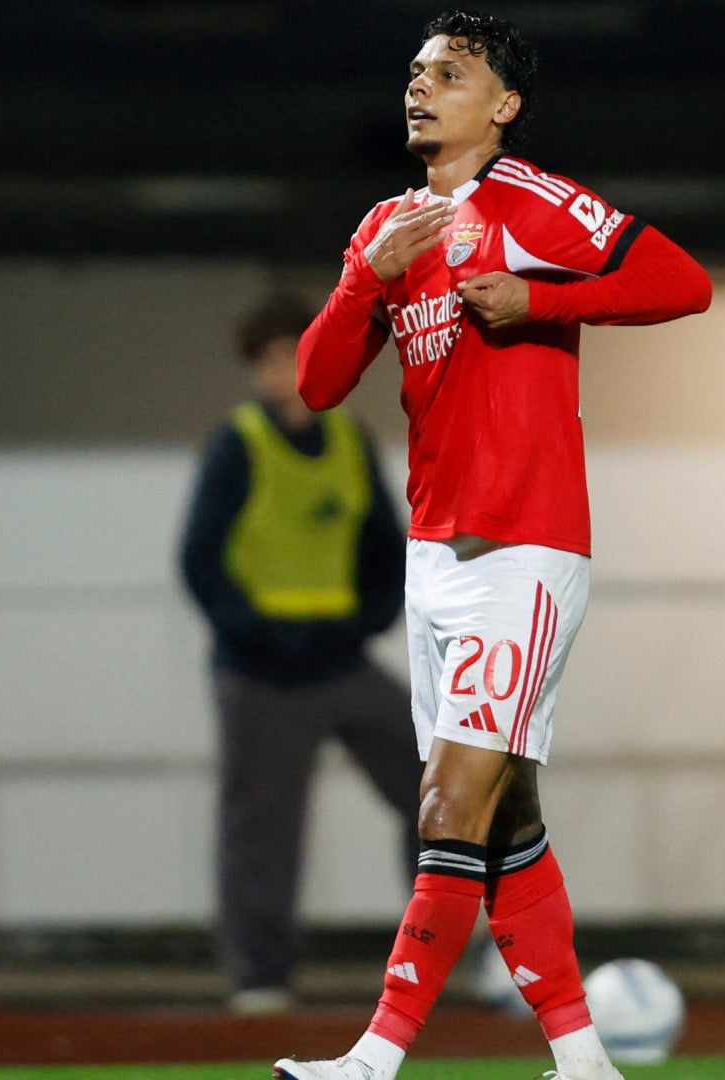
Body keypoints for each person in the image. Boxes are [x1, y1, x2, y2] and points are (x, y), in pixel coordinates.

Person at [272, 11, 712, 1080]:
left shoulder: (534, 206)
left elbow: (681, 282)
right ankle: (584, 1059)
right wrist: (366, 276)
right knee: (504, 812)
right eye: (417, 72)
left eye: (451, 74)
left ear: (502, 105)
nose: (421, 89)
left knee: (448, 801)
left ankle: (375, 1059)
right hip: (438, 558)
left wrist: (545, 297)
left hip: (525, 547)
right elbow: (317, 385)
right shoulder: (389, 227)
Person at [179, 294, 424, 1015]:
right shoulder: (238, 444)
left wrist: (366, 620)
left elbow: (388, 549)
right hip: (261, 671)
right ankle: (259, 976)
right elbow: (200, 560)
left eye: (299, 352)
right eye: (272, 359)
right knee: (264, 827)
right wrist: (255, 631)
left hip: (340, 659)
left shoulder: (350, 439)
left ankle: (440, 952)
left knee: (437, 792)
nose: (286, 370)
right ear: (254, 370)